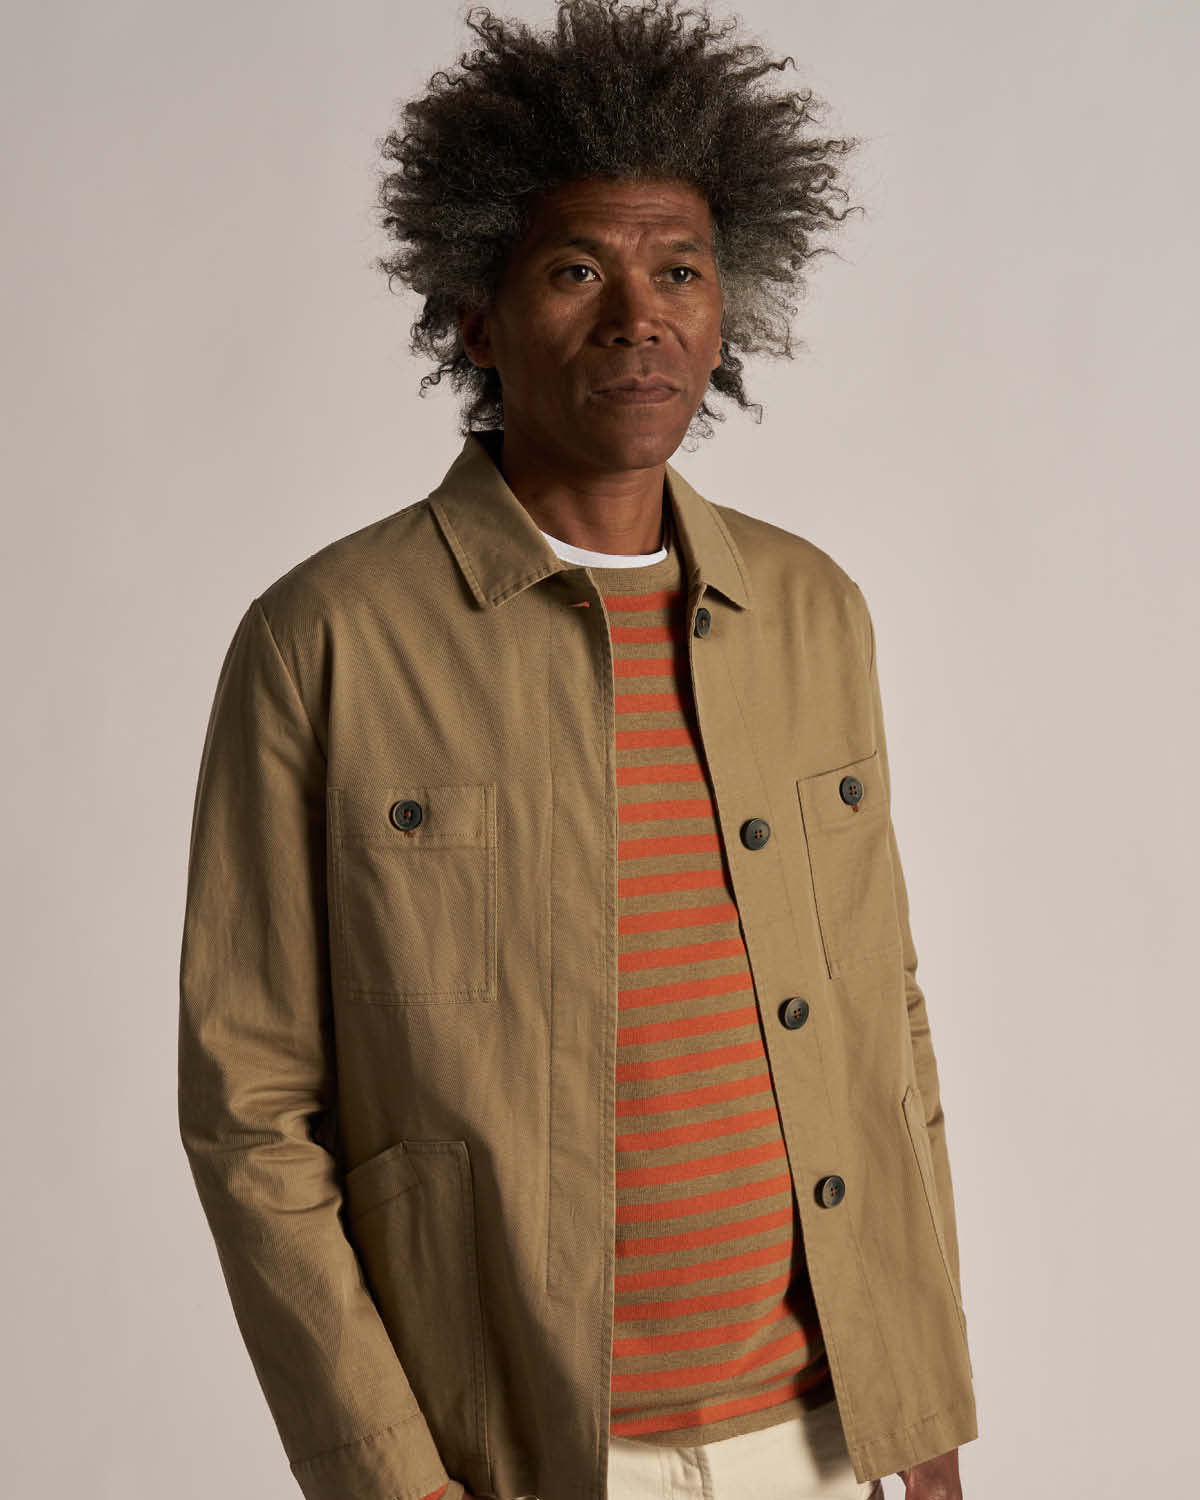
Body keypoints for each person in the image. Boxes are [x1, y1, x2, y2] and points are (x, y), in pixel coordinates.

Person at [177, 3, 978, 1499]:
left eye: (680, 269)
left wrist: (918, 1398)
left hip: (823, 1440)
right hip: (520, 1455)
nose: (638, 317)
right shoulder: (325, 641)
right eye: (574, 269)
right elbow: (251, 1110)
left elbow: (889, 1020)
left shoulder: (812, 611)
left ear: (730, 306)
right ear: (476, 315)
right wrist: (392, 1481)